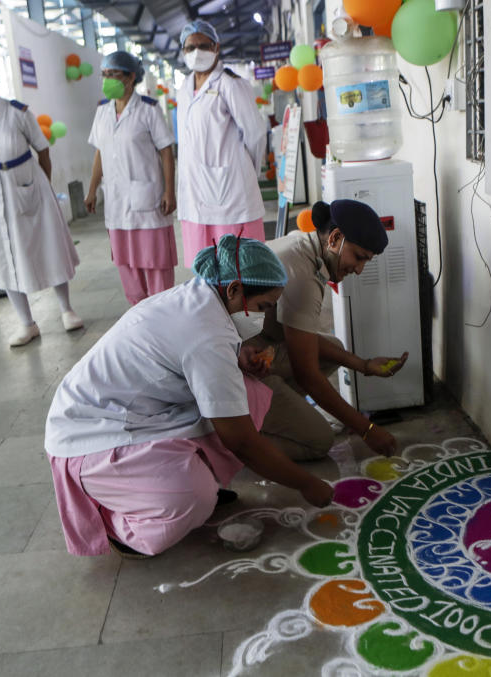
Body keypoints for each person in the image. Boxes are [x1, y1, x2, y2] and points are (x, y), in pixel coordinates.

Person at [45, 234, 333, 558]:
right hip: (90, 434)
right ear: (235, 289)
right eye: (262, 306)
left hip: (136, 411)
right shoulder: (205, 335)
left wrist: (238, 355)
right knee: (193, 498)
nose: (261, 315)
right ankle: (120, 525)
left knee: (245, 397)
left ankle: (193, 475)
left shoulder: (200, 296)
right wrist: (306, 483)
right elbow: (242, 442)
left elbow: (187, 354)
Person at [255, 200, 409, 460]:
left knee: (334, 349)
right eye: (359, 257)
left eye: (366, 262)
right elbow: (306, 374)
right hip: (235, 365)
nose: (359, 270)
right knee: (318, 441)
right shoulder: (303, 275)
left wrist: (363, 365)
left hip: (253, 348)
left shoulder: (304, 244)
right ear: (336, 238)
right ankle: (233, 440)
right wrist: (367, 429)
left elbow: (301, 338)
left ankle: (266, 412)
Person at [0, 56, 82, 347]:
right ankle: (27, 323)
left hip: (27, 183)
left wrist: (44, 185)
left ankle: (66, 308)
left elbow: (42, 149)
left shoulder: (17, 112)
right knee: (2, 254)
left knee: (46, 243)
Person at [84, 51, 177, 306]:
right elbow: (99, 153)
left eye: (113, 74)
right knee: (126, 266)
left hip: (148, 201)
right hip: (116, 204)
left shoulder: (148, 109)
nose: (107, 80)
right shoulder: (102, 112)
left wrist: (170, 191)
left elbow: (166, 151)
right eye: (104, 75)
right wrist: (92, 189)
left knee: (156, 265)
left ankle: (163, 316)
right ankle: (140, 320)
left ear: (130, 77)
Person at [175, 20, 268, 267]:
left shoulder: (231, 84)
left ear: (216, 47)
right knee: (204, 269)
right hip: (194, 195)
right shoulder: (183, 90)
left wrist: (248, 171)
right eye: (190, 47)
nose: (196, 52)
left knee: (239, 266)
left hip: (231, 192)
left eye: (203, 45)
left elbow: (256, 133)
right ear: (183, 52)